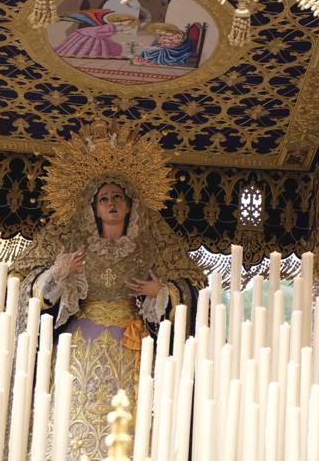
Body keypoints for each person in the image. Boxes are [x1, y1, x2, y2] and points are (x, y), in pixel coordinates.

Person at [15, 122, 203, 459]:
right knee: (72, 418)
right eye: (104, 199)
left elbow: (193, 288)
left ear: (130, 205)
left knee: (131, 425)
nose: (111, 203)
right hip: (79, 346)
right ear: (94, 208)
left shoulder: (155, 243)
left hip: (132, 348)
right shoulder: (69, 241)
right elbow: (24, 285)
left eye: (118, 197)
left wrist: (163, 292)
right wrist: (57, 275)